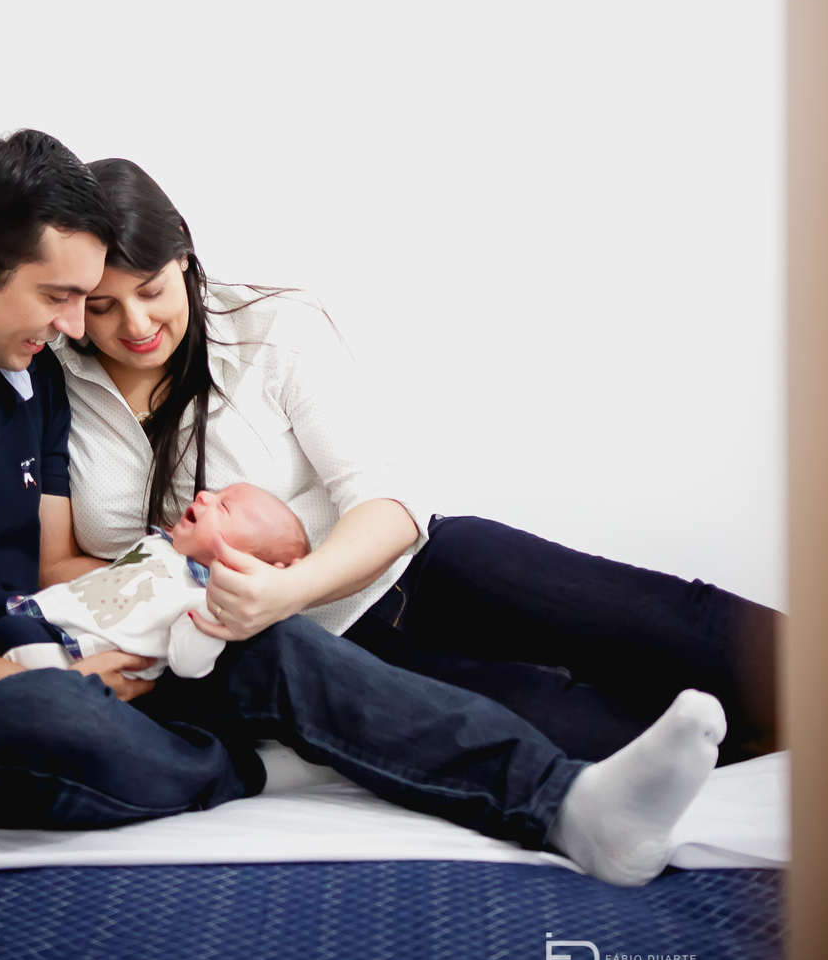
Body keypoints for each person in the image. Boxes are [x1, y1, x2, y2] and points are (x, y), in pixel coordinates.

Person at [0, 127, 729, 886]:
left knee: (267, 643)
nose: (76, 326)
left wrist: (162, 612)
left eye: (88, 298)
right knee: (62, 720)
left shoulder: (26, 374)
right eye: (63, 298)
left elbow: (45, 569)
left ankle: (570, 807)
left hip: (53, 643)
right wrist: (63, 678)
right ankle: (260, 763)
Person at [54, 158, 781, 767]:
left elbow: (384, 499)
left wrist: (290, 587)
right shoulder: (52, 386)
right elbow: (57, 564)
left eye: (151, 291)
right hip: (328, 653)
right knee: (581, 731)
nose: (135, 326)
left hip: (425, 566)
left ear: (183, 252)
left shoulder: (271, 328)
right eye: (102, 307)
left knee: (664, 624)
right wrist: (178, 589)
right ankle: (754, 751)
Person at [3, 482, 310, 680]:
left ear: (244, 565)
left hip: (73, 652)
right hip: (39, 611)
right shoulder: (161, 544)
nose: (204, 495)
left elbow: (188, 664)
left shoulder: (204, 600)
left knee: (19, 661)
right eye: (216, 493)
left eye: (224, 507)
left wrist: (216, 612)